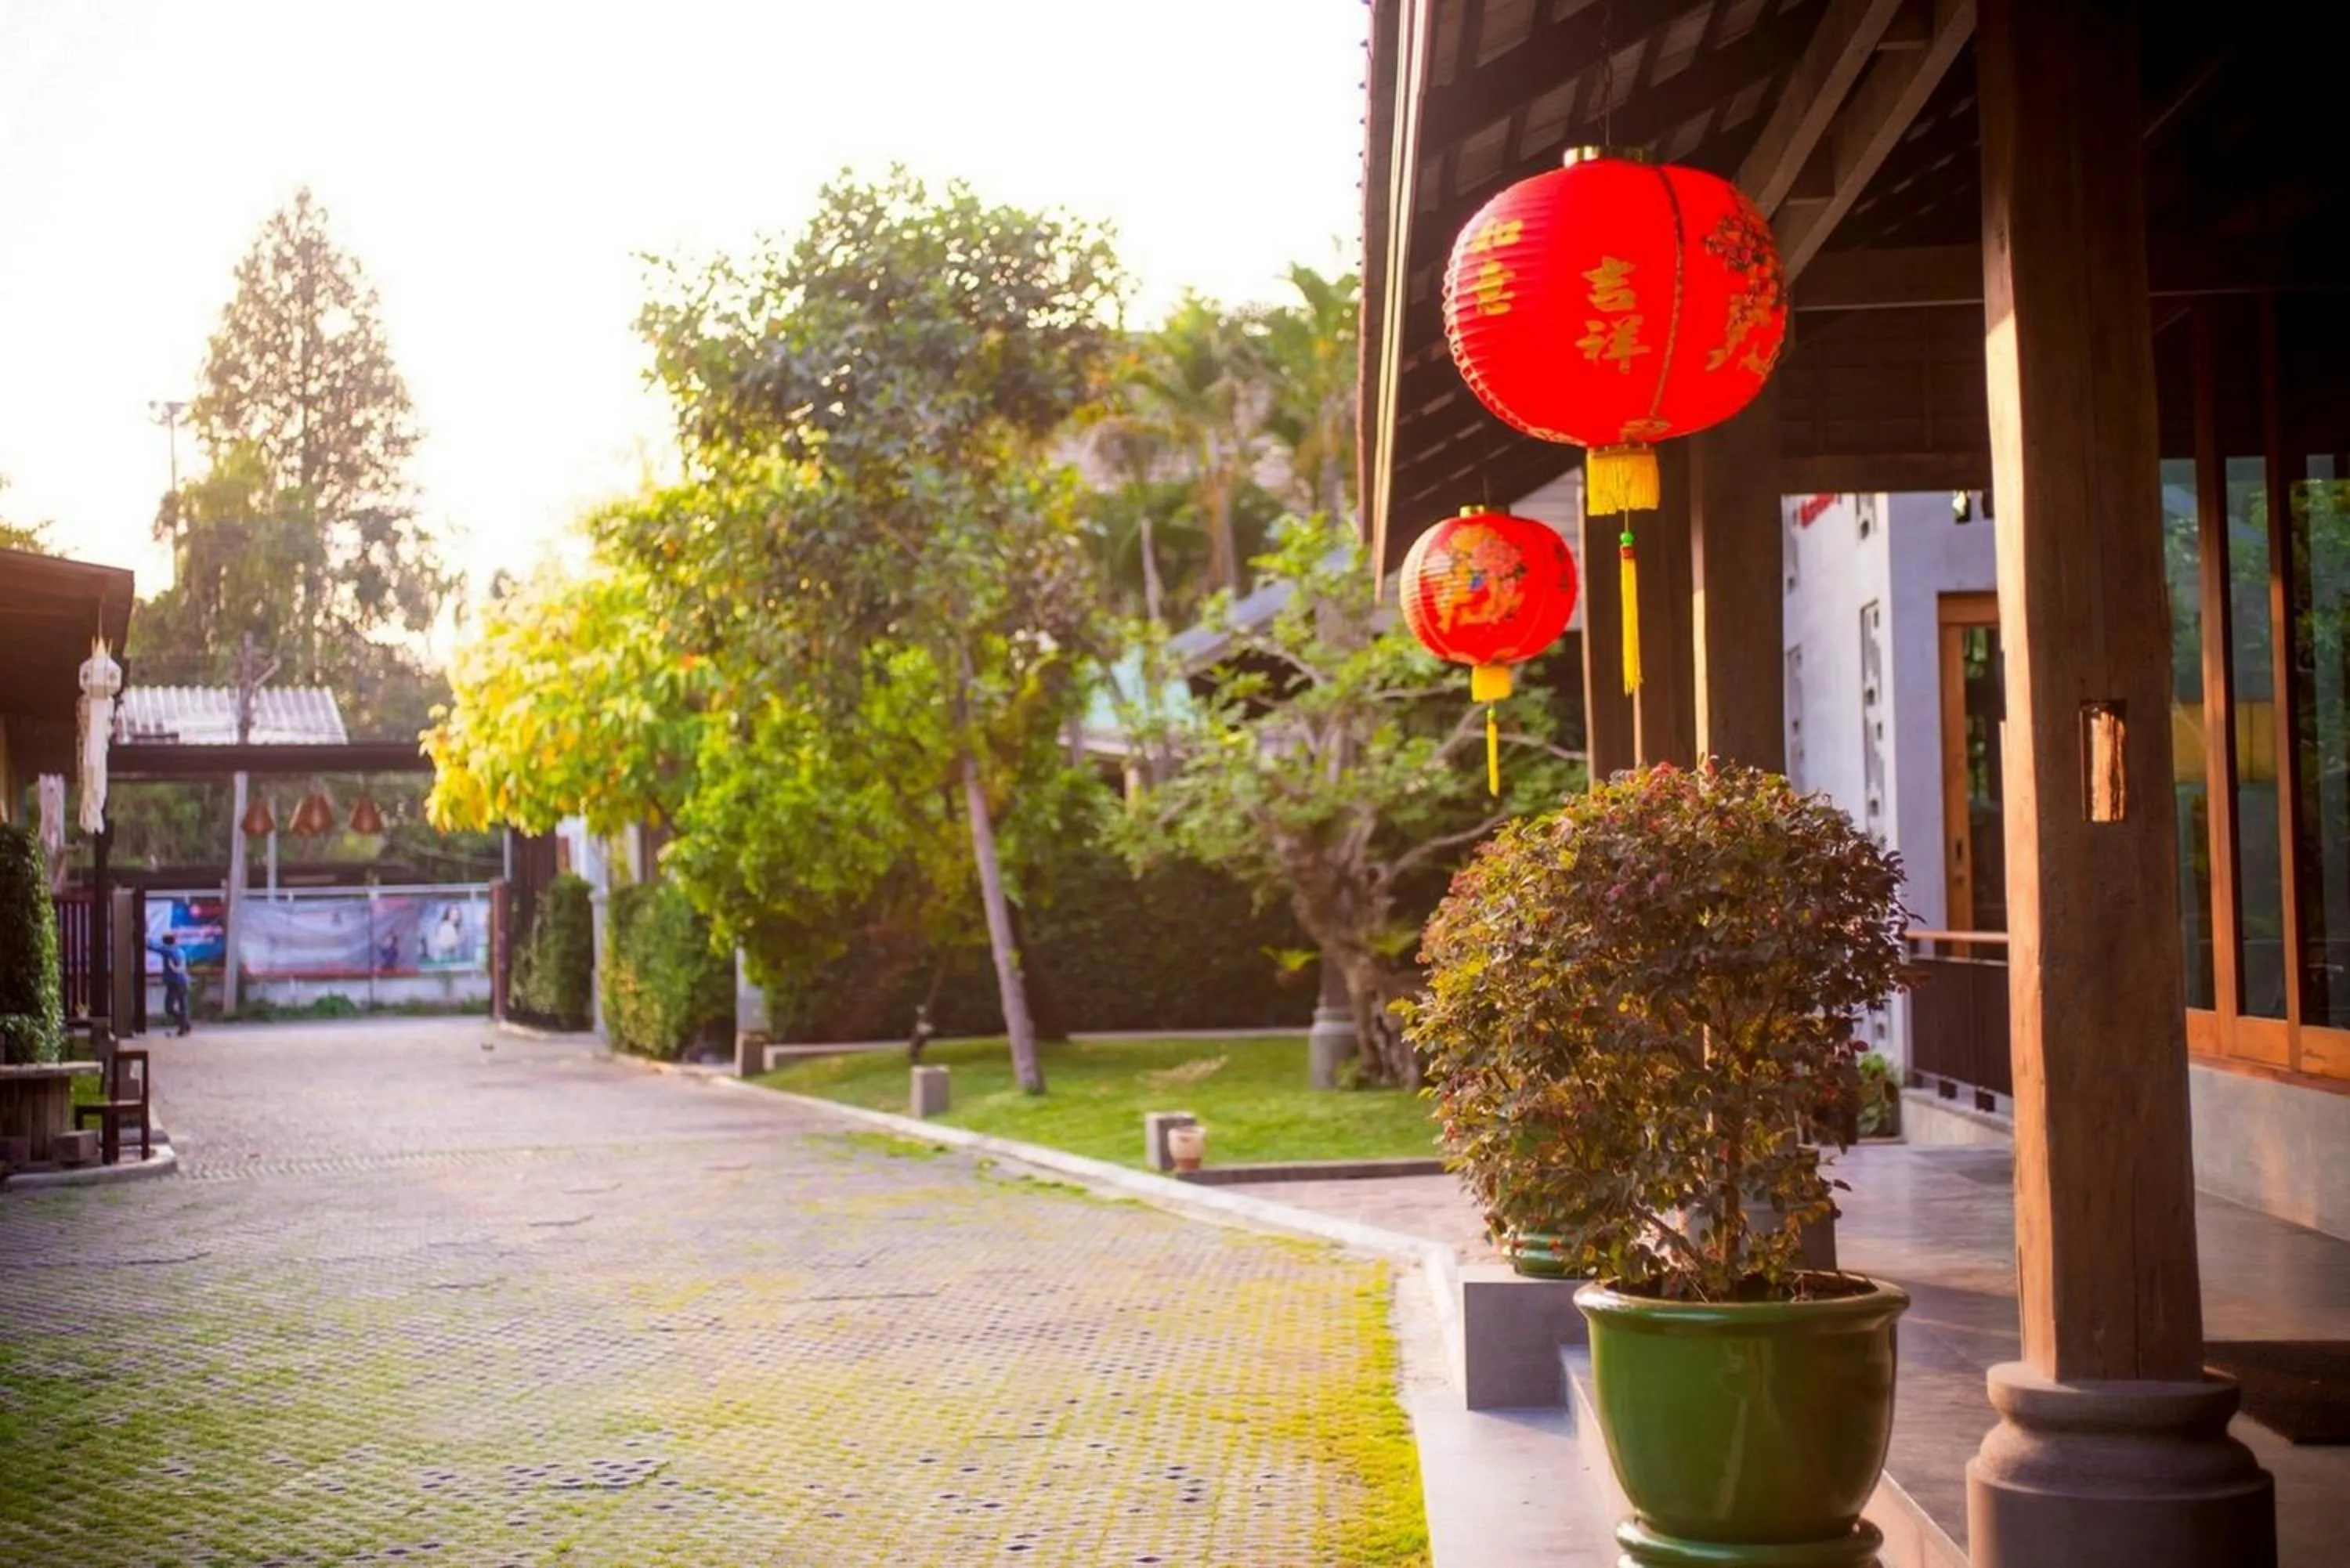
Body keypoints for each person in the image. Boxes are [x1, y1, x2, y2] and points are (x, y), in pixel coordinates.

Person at [150, 933, 192, 1036]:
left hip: (175, 982)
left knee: (169, 1007)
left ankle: (183, 1025)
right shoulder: (179, 950)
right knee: (182, 1006)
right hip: (183, 981)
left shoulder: (168, 950)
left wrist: (142, 935)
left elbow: (152, 946)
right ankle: (184, 1024)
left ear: (165, 942)